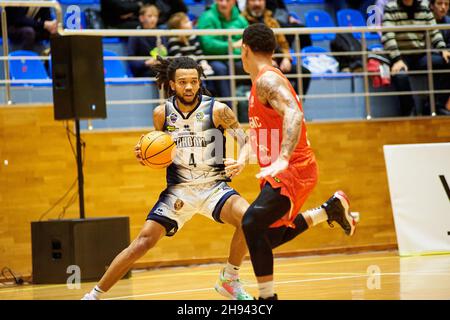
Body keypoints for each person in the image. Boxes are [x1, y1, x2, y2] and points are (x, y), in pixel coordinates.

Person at [82, 56, 254, 300]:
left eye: (194, 81)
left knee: (250, 219)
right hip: (179, 191)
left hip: (214, 187)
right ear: (172, 84)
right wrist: (144, 154)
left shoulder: (218, 110)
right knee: (142, 242)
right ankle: (94, 295)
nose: (189, 87)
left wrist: (241, 161)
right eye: (183, 82)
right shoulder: (161, 113)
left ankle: (229, 279)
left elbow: (246, 141)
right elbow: (159, 150)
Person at [238, 23, 358, 300]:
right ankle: (329, 210)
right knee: (266, 239)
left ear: (245, 49)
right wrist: (243, 158)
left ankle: (267, 299)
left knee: (251, 222)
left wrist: (282, 158)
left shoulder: (268, 80)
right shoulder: (259, 85)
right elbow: (259, 130)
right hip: (279, 172)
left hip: (294, 169)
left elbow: (293, 113)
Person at [382, 0, 450, 116]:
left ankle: (435, 105)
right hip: (401, 56)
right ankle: (410, 111)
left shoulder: (424, 6)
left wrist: (443, 49)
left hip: (420, 56)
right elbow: (388, 36)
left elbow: (434, 30)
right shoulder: (390, 7)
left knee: (447, 62)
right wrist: (397, 59)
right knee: (400, 76)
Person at [242, 0, 311, 95]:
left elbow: (284, 44)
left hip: (278, 61)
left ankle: (296, 101)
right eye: (253, 0)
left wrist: (286, 58)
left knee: (304, 73)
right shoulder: (242, 20)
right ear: (247, 3)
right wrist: (266, 61)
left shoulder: (272, 20)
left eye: (260, 0)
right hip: (256, 63)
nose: (257, 4)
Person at [197, 0, 249, 105]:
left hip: (236, 59)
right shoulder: (207, 17)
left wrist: (234, 50)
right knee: (221, 69)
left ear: (234, 2)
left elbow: (247, 42)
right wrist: (232, 45)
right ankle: (229, 109)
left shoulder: (241, 19)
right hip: (213, 59)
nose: (223, 4)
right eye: (220, 0)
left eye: (227, 0)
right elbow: (208, 45)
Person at [127, 5, 165, 78]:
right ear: (141, 18)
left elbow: (165, 54)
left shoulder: (161, 34)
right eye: (150, 16)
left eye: (156, 16)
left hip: (159, 68)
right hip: (143, 70)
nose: (153, 19)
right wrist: (146, 63)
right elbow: (131, 60)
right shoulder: (135, 35)